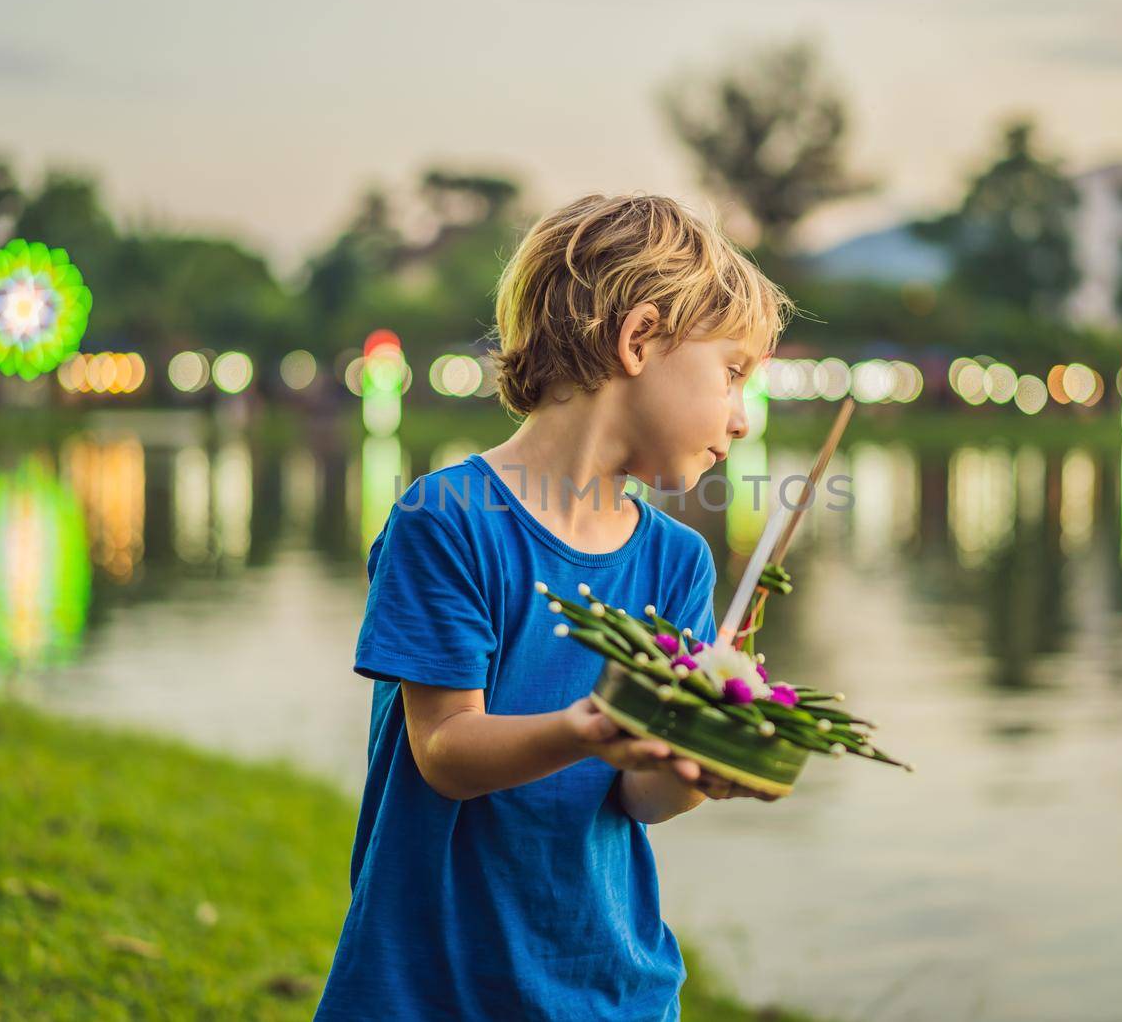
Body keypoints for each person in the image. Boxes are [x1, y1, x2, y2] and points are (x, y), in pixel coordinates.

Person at [313, 193, 793, 1021]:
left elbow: (635, 797)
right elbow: (446, 751)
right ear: (639, 338)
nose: (742, 419)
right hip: (430, 988)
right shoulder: (449, 520)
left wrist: (698, 762)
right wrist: (592, 724)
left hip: (609, 988)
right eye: (734, 373)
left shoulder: (677, 558)